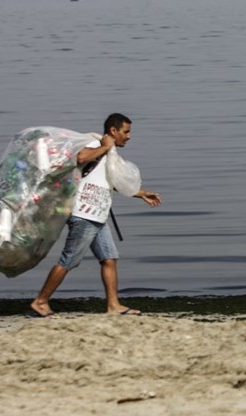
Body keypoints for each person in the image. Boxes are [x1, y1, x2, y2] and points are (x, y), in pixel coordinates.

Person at [29, 113, 162, 317]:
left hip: (98, 215)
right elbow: (81, 157)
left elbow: (113, 182)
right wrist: (104, 147)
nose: (129, 136)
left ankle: (113, 306)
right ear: (113, 131)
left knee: (109, 258)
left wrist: (142, 194)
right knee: (69, 260)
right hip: (84, 214)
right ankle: (40, 301)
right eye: (126, 132)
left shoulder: (110, 153)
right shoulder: (95, 143)